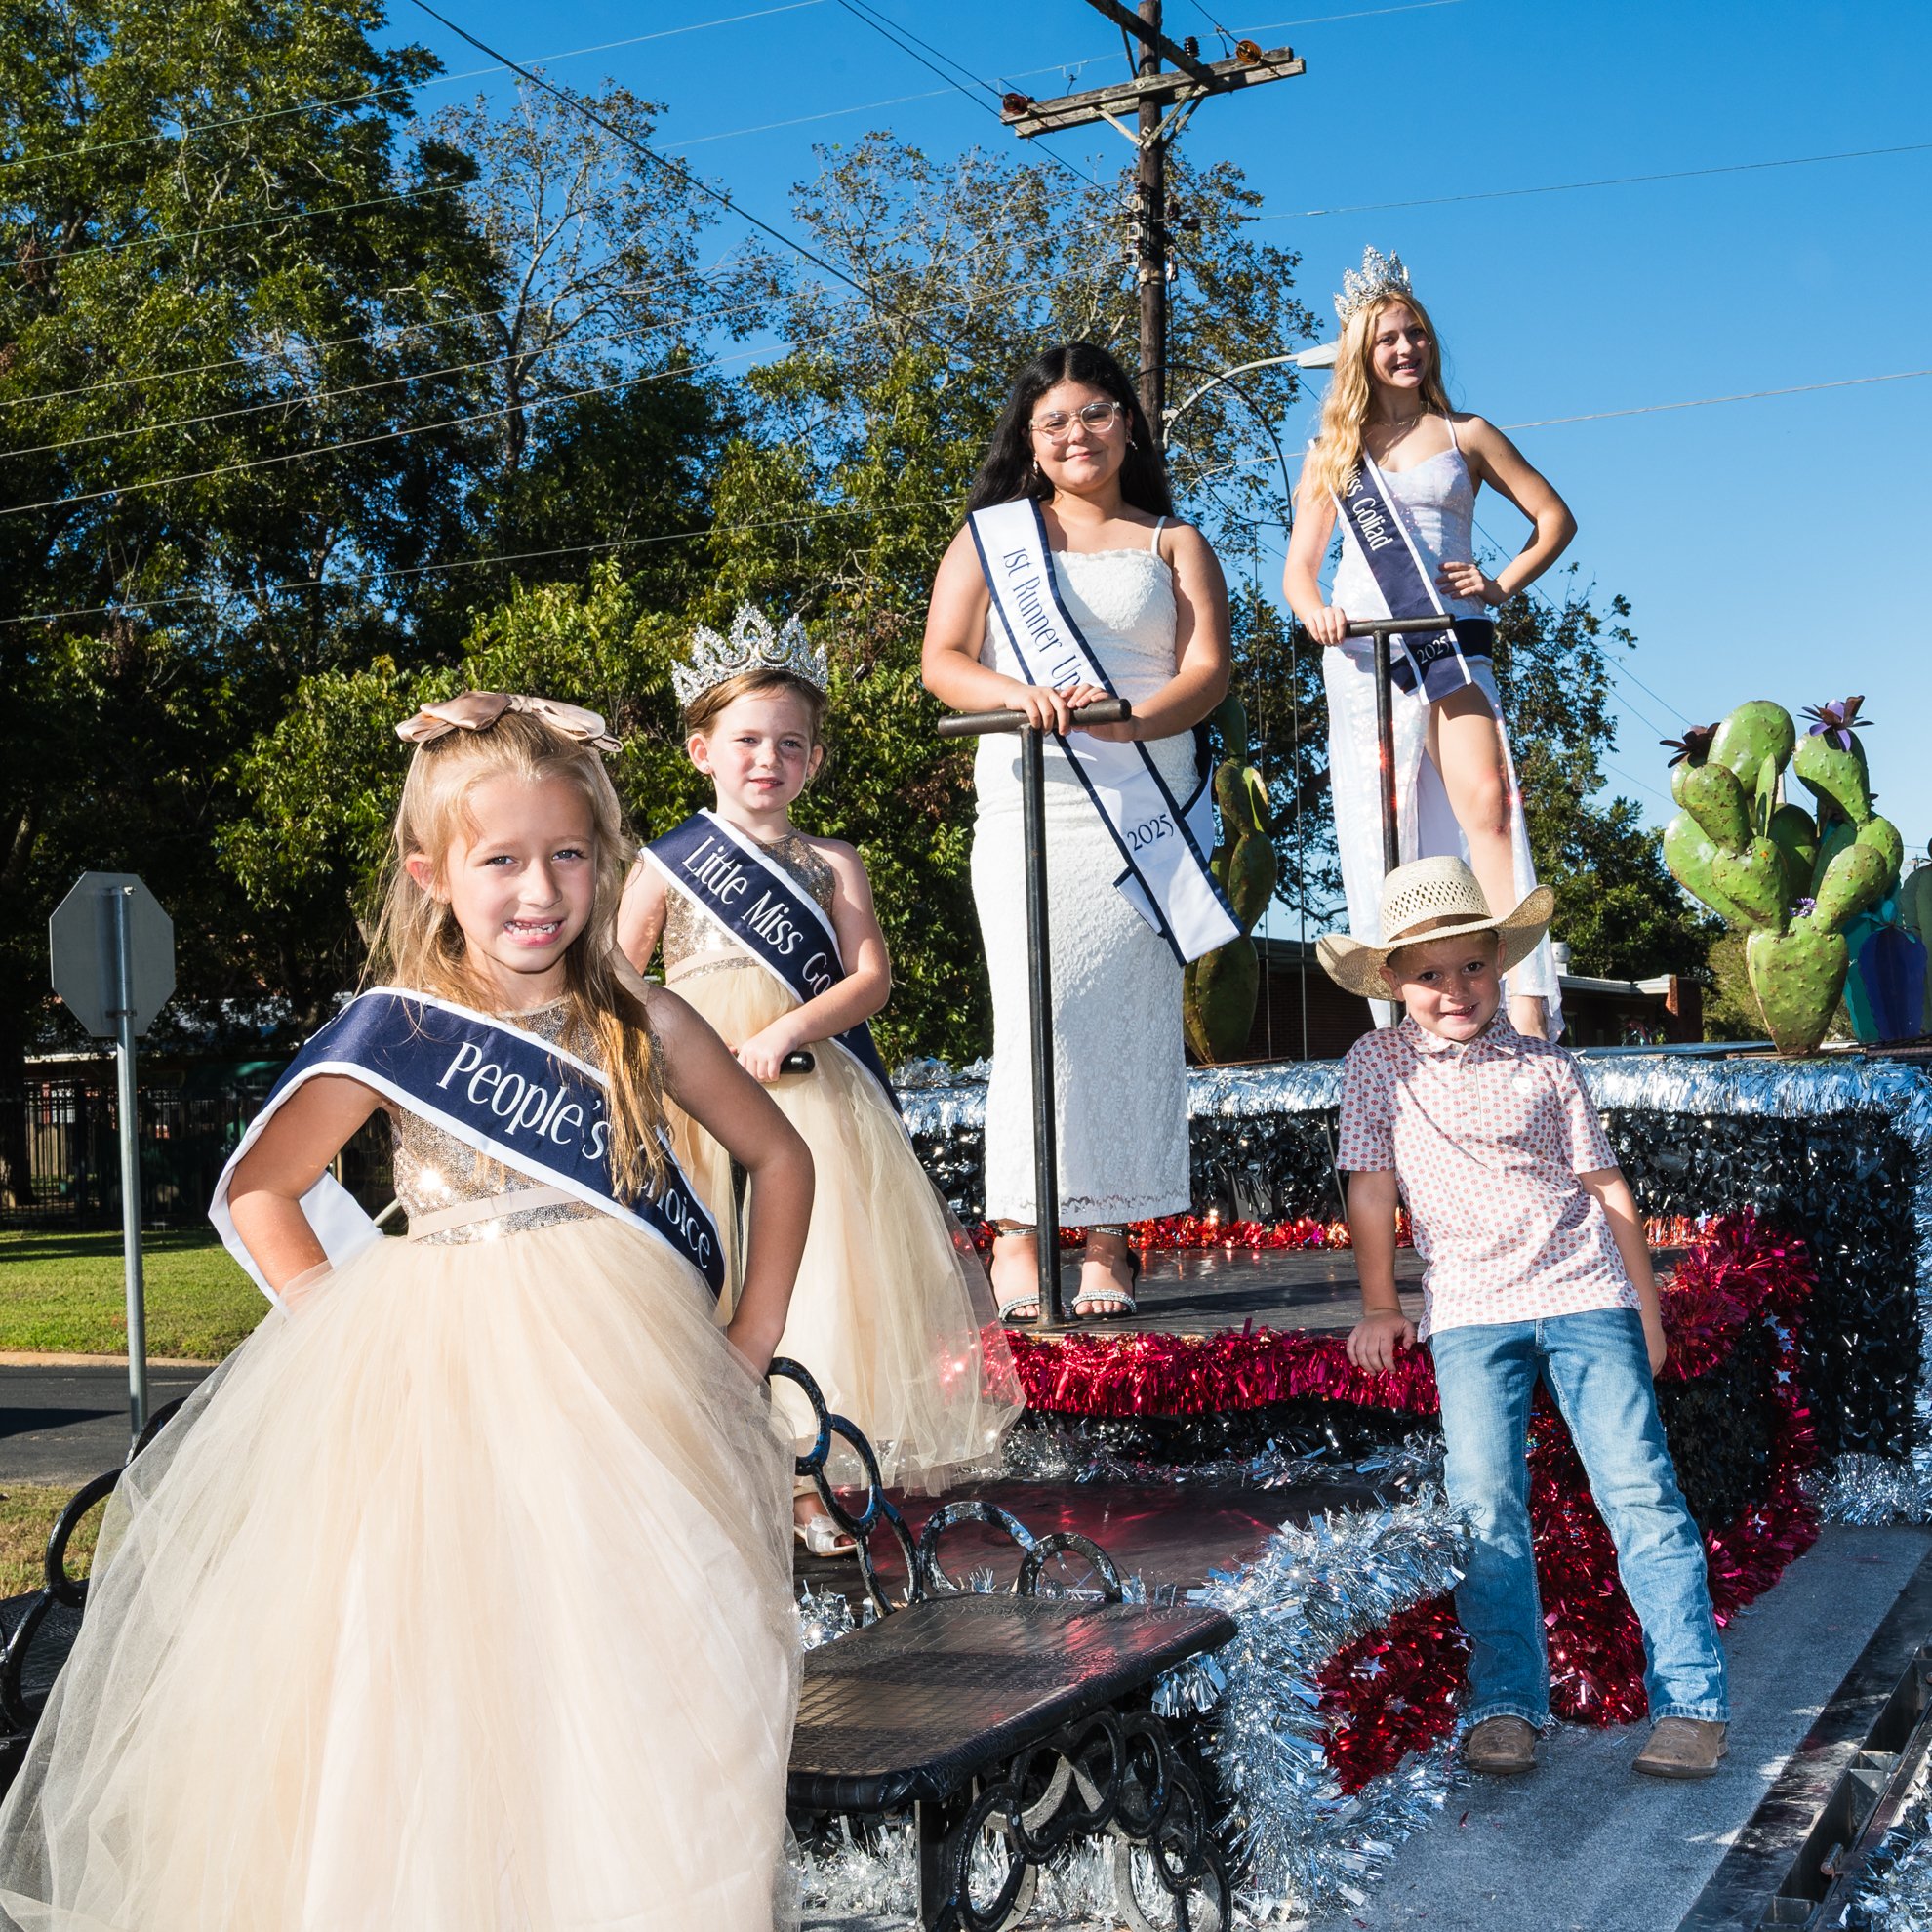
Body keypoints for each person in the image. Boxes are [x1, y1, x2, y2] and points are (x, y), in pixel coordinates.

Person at [0, 691, 814, 1929]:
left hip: (628, 1386)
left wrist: (751, 1337)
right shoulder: (397, 1029)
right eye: (501, 861)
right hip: (439, 1392)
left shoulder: (643, 1021)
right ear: (434, 872)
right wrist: (342, 1329)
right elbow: (267, 1184)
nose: (536, 889)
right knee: (433, 1673)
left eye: (566, 856)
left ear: (603, 858)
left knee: (636, 1663)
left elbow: (782, 1159)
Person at [620, 611, 1024, 1551]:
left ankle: (806, 1478)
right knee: (705, 1276)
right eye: (748, 741)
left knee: (812, 1286)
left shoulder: (835, 862)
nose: (768, 760)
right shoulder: (665, 864)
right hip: (696, 1102)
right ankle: (718, 1474)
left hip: (809, 1098)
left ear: (813, 762)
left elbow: (869, 977)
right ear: (701, 751)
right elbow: (616, 976)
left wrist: (791, 1025)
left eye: (789, 745)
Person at [1322, 856, 1729, 1781]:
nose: (1453, 989)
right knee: (1484, 1507)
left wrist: (1647, 1308)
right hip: (1469, 1313)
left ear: (1500, 963)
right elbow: (1373, 1184)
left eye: (1472, 966)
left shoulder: (1549, 1067)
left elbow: (1607, 1188)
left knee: (1639, 1495)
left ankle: (1693, 1706)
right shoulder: (1376, 1064)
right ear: (1392, 982)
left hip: (1584, 1295)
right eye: (1429, 974)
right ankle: (1506, 1702)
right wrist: (1382, 1303)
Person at [922, 341, 1234, 1321]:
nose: (1076, 435)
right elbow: (944, 659)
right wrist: (1023, 695)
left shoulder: (1173, 541)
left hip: (1145, 795)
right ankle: (1019, 1228)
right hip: (1032, 797)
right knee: (1036, 1014)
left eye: (1095, 413)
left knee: (1129, 1020)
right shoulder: (993, 540)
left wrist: (1129, 723)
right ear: (1031, 438)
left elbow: (1207, 670)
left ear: (1127, 424)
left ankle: (1110, 1241)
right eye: (1053, 421)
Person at [1285, 246, 1574, 1039]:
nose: (1405, 348)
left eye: (1414, 334)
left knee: (1489, 806)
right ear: (1360, 355)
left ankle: (1524, 1003)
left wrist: (1502, 582)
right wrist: (1315, 611)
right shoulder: (1333, 456)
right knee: (1388, 821)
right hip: (1364, 651)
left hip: (1449, 641)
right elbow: (1300, 574)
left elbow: (1554, 520)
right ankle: (1402, 1014)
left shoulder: (1467, 434)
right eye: (1387, 339)